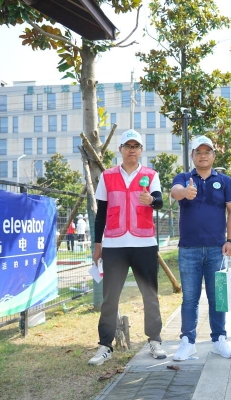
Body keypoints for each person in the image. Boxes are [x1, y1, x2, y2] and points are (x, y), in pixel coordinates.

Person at [88, 129, 167, 366]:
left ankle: (154, 340)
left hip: (144, 243)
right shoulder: (107, 176)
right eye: (128, 146)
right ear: (120, 150)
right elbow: (100, 213)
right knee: (110, 297)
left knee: (150, 295)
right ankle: (105, 345)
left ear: (141, 150)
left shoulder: (151, 175)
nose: (132, 150)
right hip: (114, 244)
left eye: (136, 146)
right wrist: (98, 244)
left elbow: (160, 202)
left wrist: (152, 201)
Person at [170, 135, 231, 361]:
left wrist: (230, 240)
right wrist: (185, 193)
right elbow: (175, 191)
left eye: (206, 152)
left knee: (217, 297)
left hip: (216, 249)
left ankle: (219, 340)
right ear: (192, 156)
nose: (202, 155)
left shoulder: (225, 181)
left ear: (213, 155)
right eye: (198, 152)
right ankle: (187, 342)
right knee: (190, 298)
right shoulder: (184, 177)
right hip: (188, 249)